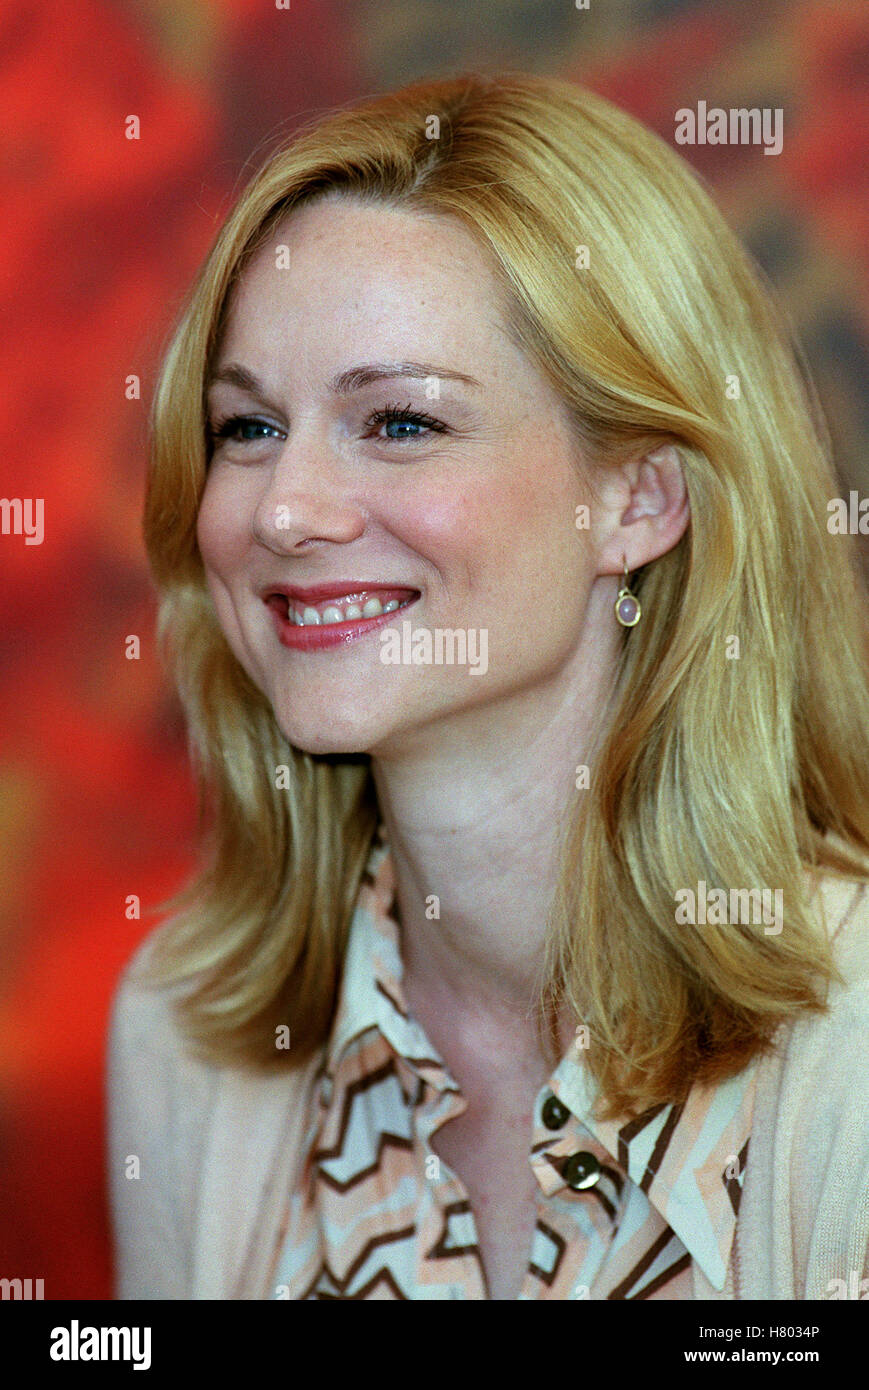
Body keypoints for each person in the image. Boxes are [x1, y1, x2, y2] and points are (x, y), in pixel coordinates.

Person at [107, 71, 869, 1301]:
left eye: (398, 422)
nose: (284, 511)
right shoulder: (190, 1028)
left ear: (636, 499)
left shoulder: (851, 1051)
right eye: (246, 428)